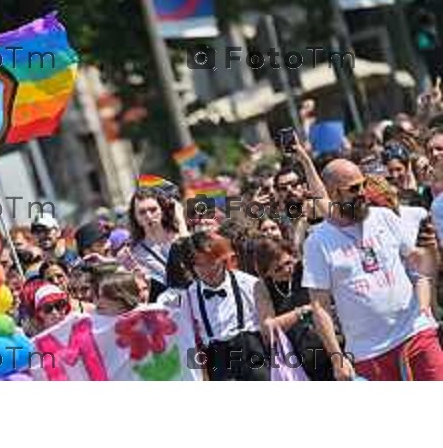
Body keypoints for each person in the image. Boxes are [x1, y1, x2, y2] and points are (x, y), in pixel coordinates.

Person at [302, 158, 443, 381]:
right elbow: (320, 306)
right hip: (369, 352)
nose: (363, 193)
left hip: (415, 333)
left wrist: (432, 252)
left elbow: (420, 265)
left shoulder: (384, 217)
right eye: (354, 189)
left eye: (364, 184)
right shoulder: (317, 242)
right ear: (333, 193)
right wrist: (337, 358)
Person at [180, 231, 271, 381]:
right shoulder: (188, 298)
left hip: (253, 357)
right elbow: (191, 343)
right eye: (199, 265)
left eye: (211, 262)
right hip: (217, 363)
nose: (207, 270)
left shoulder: (250, 284)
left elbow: (269, 329)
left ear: (222, 258)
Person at [253, 238, 333, 380]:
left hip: (330, 347)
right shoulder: (262, 287)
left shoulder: (306, 270)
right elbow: (268, 327)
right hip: (297, 360)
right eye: (278, 269)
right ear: (267, 273)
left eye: (288, 262)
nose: (287, 270)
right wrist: (304, 310)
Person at [129, 188, 182, 301]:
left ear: (162, 210)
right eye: (142, 212)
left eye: (153, 210)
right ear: (136, 218)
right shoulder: (135, 252)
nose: (148, 216)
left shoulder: (180, 235)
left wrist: (181, 222)